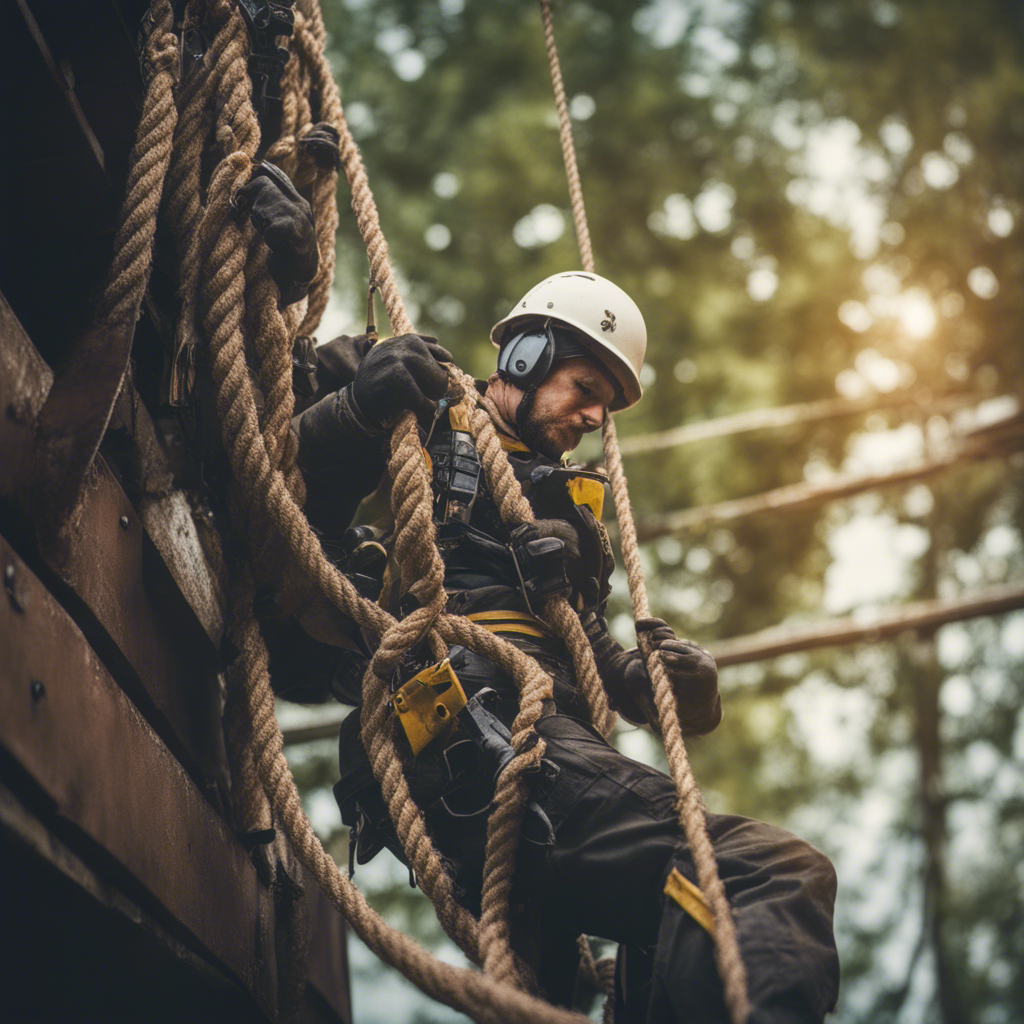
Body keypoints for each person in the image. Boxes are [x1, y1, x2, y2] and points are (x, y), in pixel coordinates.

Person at [271, 272, 840, 1023]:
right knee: (765, 874)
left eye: (606, 403)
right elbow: (276, 501)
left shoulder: (569, 504)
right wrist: (355, 408)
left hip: (540, 743)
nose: (596, 416)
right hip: (478, 728)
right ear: (525, 355)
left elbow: (586, 642)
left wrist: (658, 685)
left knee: (666, 931)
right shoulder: (420, 403)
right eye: (586, 388)